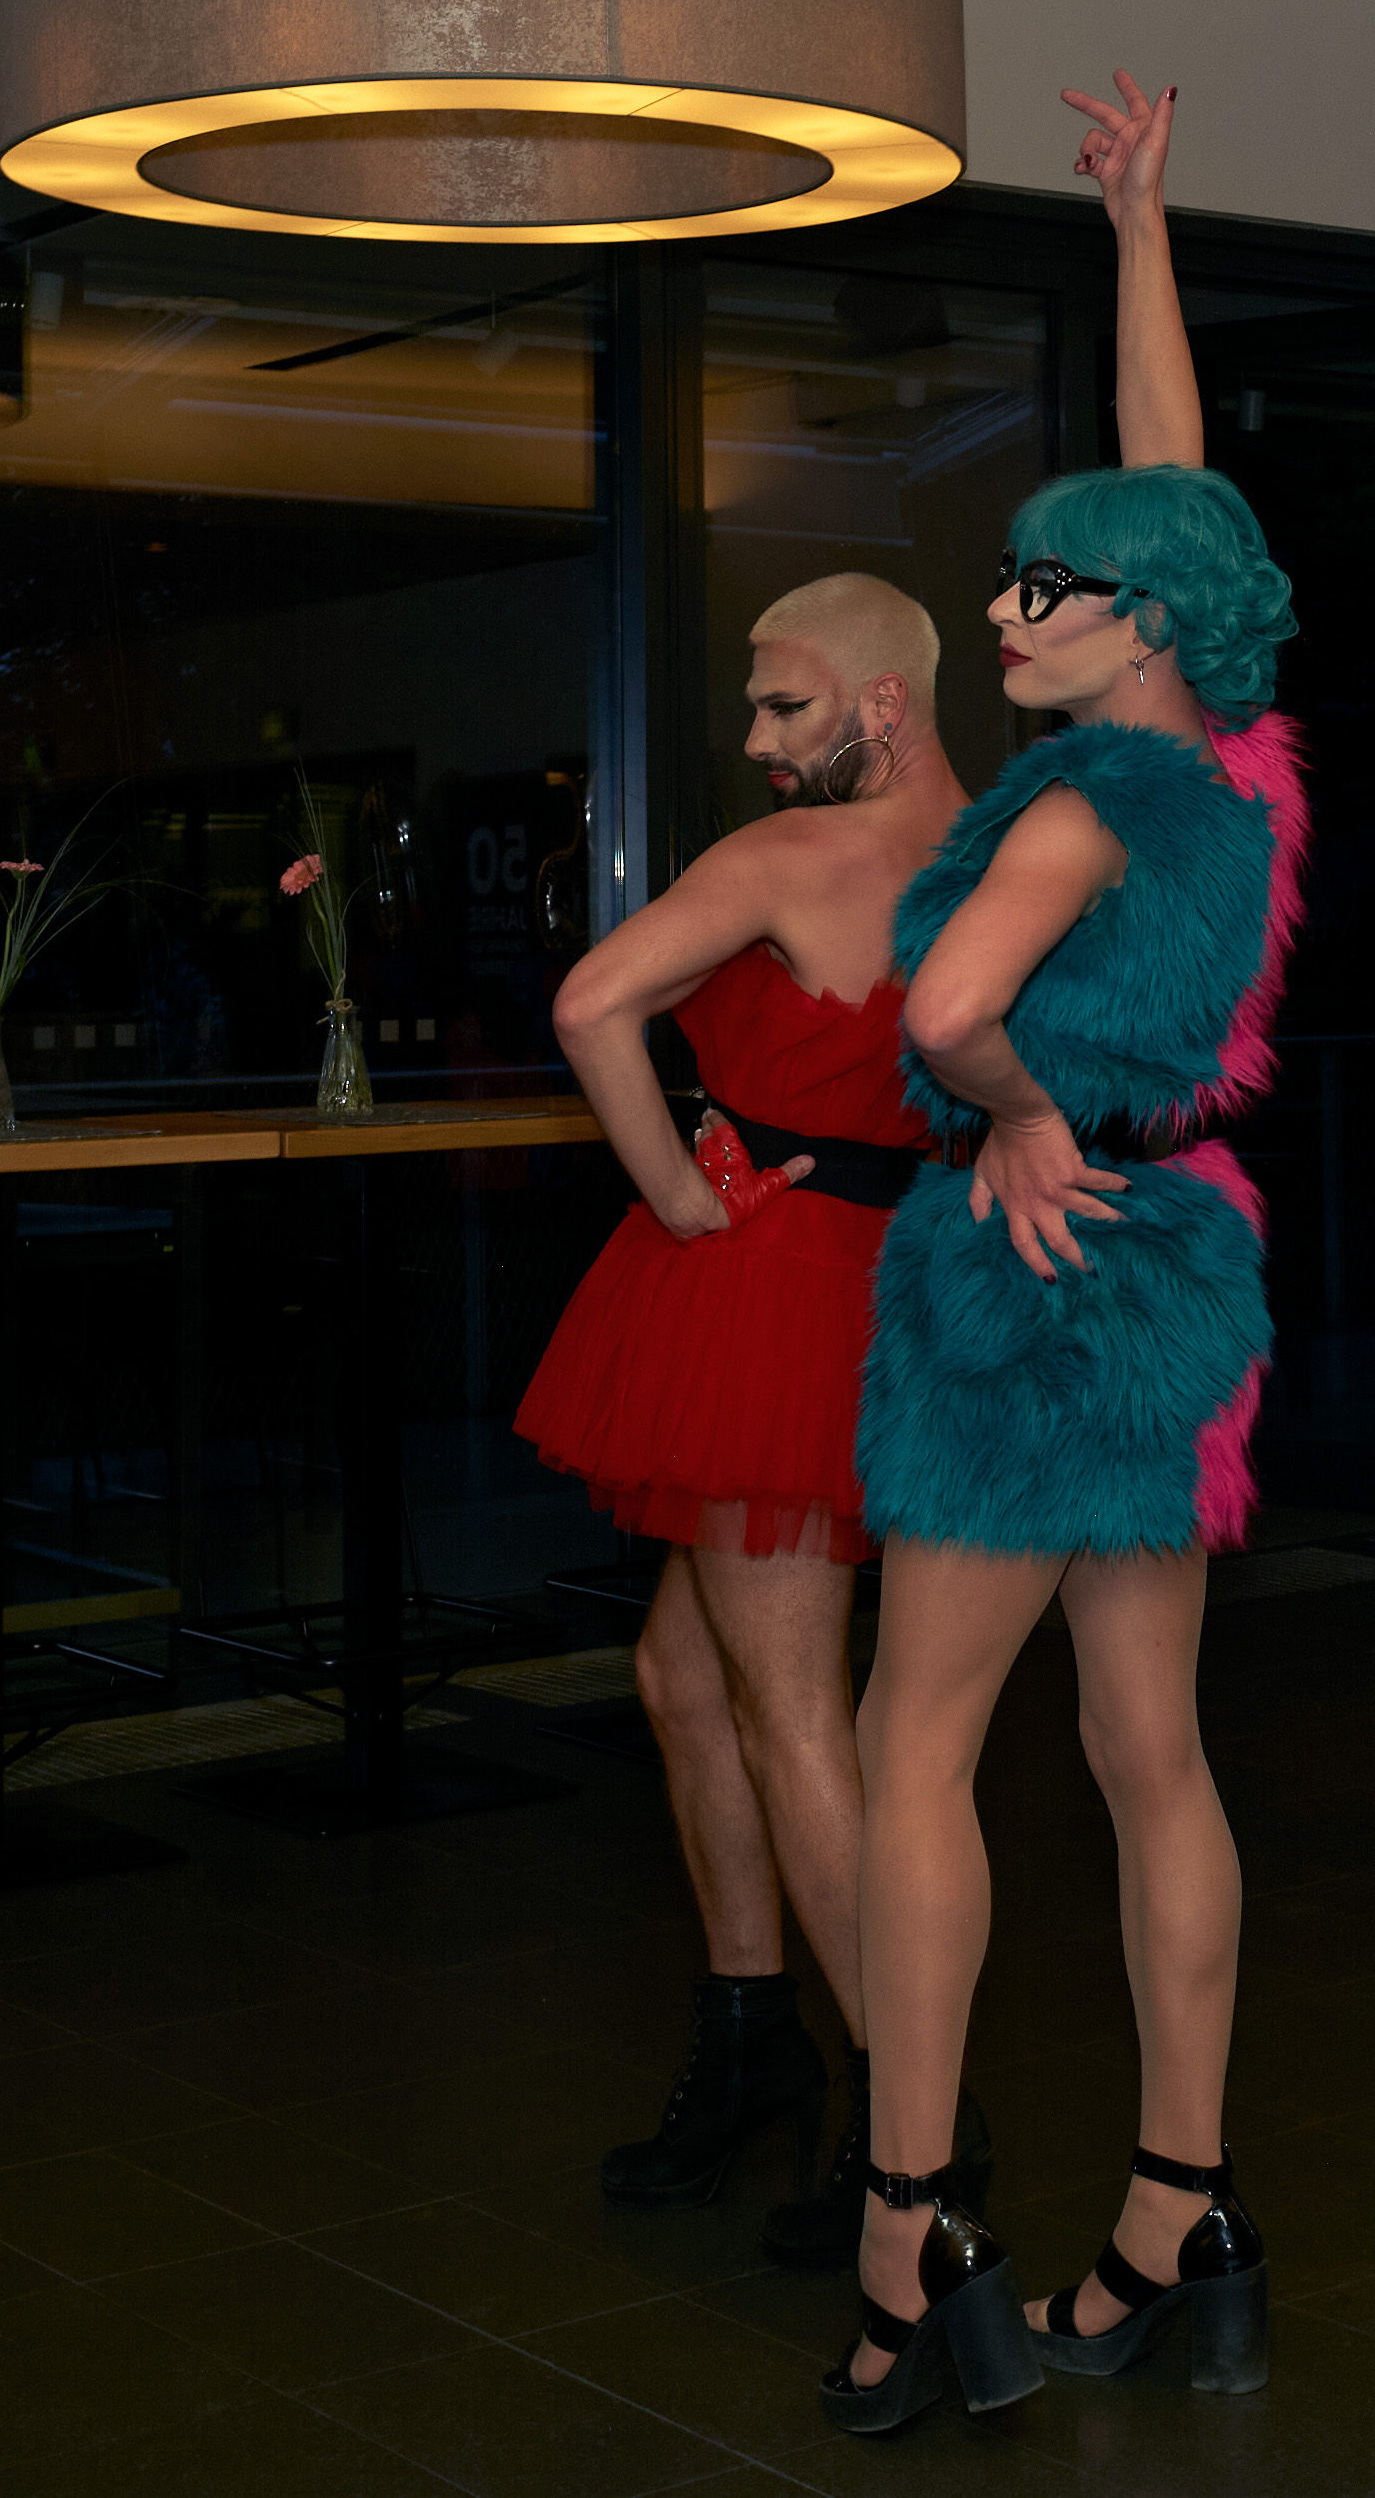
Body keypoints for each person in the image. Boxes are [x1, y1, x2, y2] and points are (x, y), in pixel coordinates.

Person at [821, 69, 1310, 2438]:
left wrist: (1007, 1106)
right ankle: (1178, 2212)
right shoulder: (1227, 775)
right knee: (1149, 1749)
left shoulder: (1081, 797)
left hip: (1029, 1283)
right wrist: (1135, 231)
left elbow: (939, 1013)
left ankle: (907, 2243)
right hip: (1179, 1255)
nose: (1005, 610)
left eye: (1045, 590)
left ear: (1141, 630)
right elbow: (1173, 487)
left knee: (909, 1745)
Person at [515, 574, 971, 2256]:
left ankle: (913, 2134)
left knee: (794, 1714)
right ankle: (749, 2038)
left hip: (769, 1292)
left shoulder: (787, 858)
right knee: (682, 1675)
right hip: (901, 1279)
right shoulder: (999, 853)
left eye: (788, 705)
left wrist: (677, 1191)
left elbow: (589, 1005)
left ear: (880, 703)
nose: (760, 739)